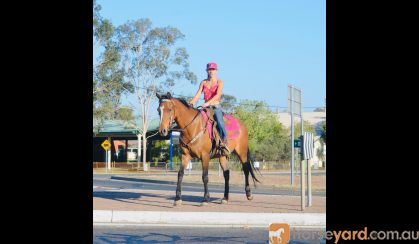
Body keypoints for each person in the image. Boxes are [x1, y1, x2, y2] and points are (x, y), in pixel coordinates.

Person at [189, 62, 229, 153]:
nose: (211, 71)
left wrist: (207, 103)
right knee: (196, 120)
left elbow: (218, 95)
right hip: (206, 108)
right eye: (209, 69)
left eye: (213, 69)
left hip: (215, 107)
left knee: (219, 122)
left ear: (216, 71)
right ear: (207, 71)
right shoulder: (203, 82)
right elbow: (198, 93)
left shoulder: (220, 82)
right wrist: (191, 102)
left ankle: (224, 141)